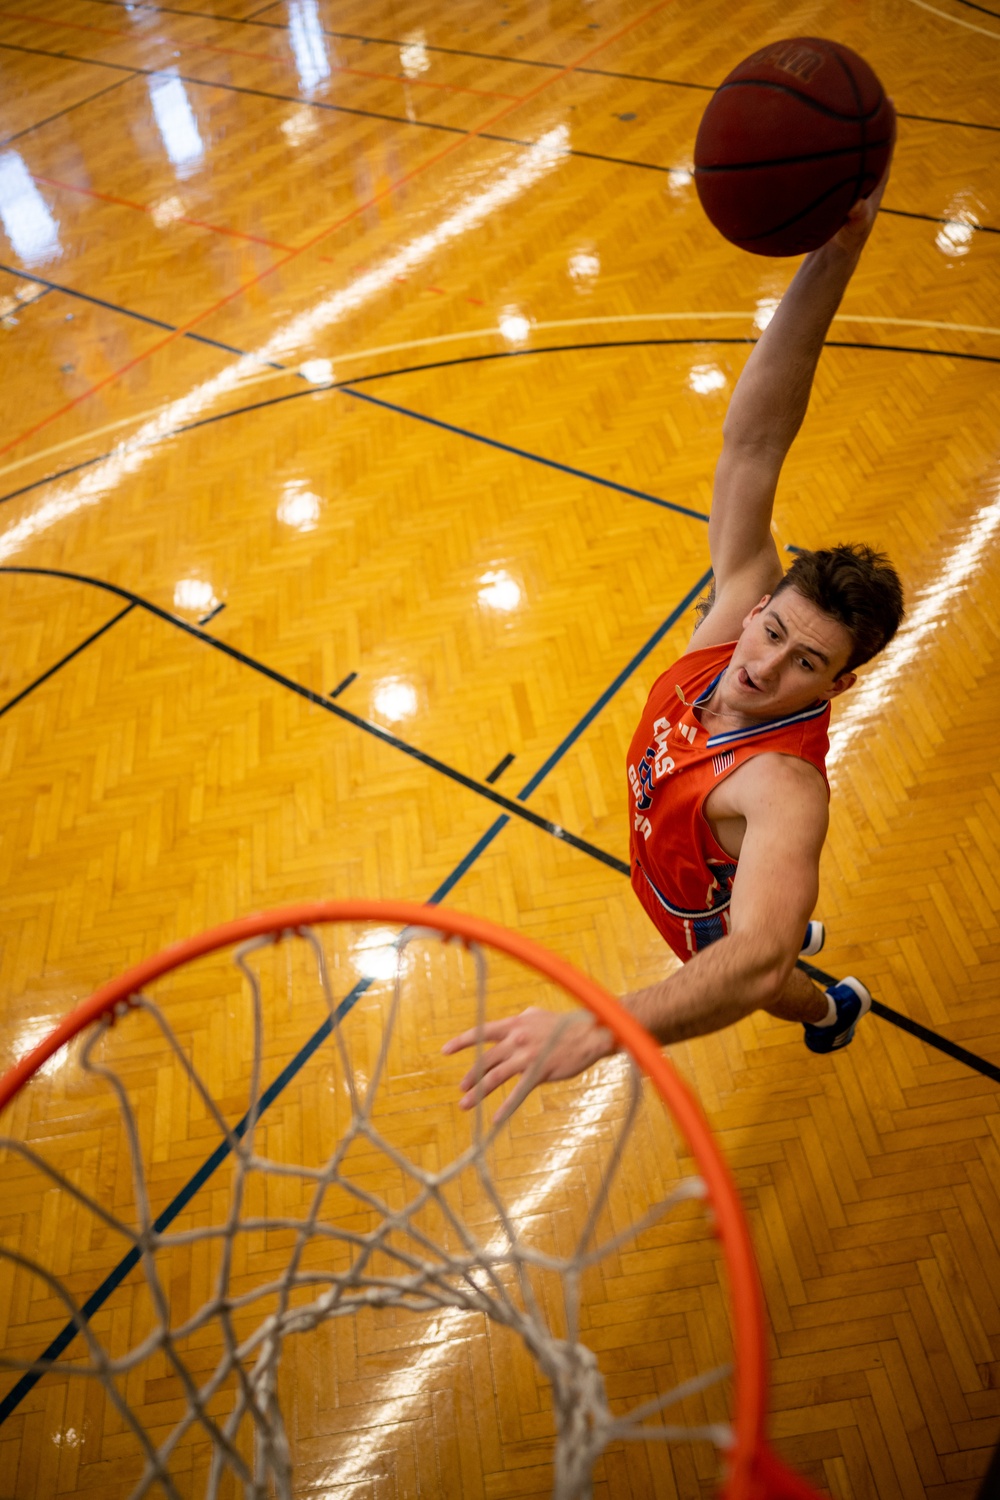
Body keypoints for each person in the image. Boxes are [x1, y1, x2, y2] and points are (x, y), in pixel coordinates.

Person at [444, 169, 904, 1113]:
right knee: (765, 937)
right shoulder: (741, 607)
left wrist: (603, 1025)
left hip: (705, 922)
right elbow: (752, 444)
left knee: (772, 977)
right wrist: (836, 254)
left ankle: (833, 1010)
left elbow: (753, 960)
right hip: (665, 849)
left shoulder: (783, 789)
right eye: (773, 630)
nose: (763, 662)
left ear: (839, 684)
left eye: (805, 664)